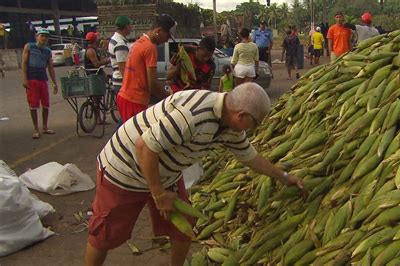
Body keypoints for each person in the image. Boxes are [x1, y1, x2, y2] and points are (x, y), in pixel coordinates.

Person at [83, 83, 304, 266]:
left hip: (166, 171)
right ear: (241, 115)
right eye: (255, 123)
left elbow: (250, 157)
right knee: (105, 234)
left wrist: (284, 177)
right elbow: (144, 147)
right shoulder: (193, 114)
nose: (254, 129)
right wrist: (159, 195)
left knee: (184, 227)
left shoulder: (229, 125)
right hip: (125, 170)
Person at [117, 14, 176, 123]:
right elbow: (152, 83)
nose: (166, 41)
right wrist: (169, 97)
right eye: (167, 36)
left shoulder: (138, 43)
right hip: (134, 101)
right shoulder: (150, 47)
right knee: (138, 138)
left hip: (125, 97)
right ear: (159, 30)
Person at [21, 28, 58, 139]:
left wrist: (54, 83)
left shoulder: (47, 51)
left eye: (46, 36)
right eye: (42, 36)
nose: (44, 38)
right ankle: (36, 129)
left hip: (43, 78)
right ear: (37, 36)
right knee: (33, 105)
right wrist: (24, 79)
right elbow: (24, 64)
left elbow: (50, 68)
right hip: (31, 78)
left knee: (46, 104)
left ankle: (45, 127)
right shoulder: (29, 47)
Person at [108, 16, 132, 100]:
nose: (131, 27)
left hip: (117, 81)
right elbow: (123, 68)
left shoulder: (114, 39)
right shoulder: (120, 43)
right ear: (126, 26)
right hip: (122, 83)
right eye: (130, 25)